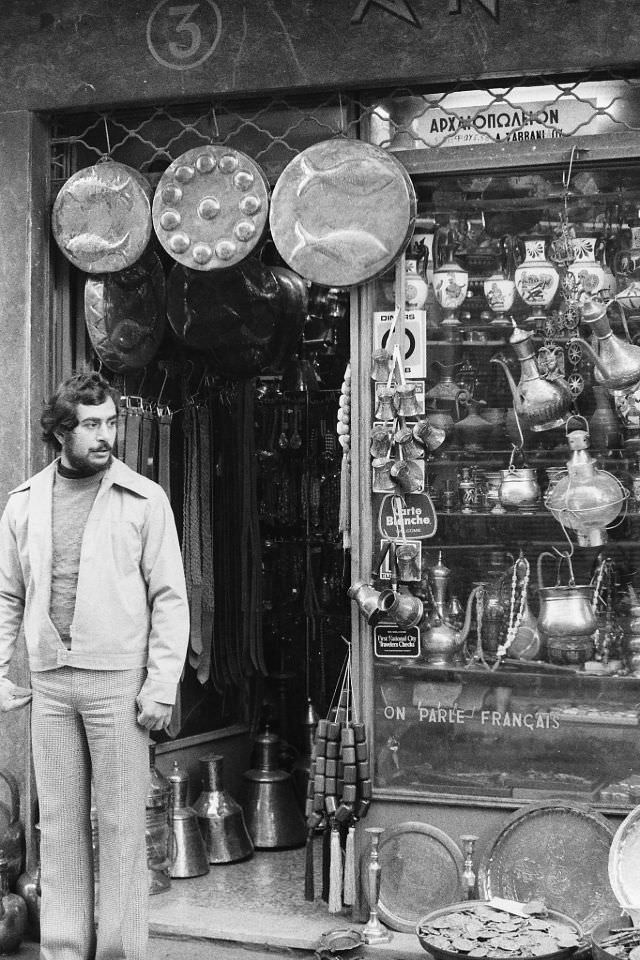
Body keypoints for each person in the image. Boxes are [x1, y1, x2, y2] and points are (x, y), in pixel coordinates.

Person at [0, 371, 189, 960]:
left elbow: (170, 598)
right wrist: (5, 672)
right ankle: (63, 950)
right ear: (61, 430)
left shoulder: (144, 499)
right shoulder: (25, 502)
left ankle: (119, 954)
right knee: (58, 829)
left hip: (118, 685)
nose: (106, 434)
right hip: (51, 684)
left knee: (122, 828)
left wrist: (161, 685)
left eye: (111, 422)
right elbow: (7, 595)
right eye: (91, 424)